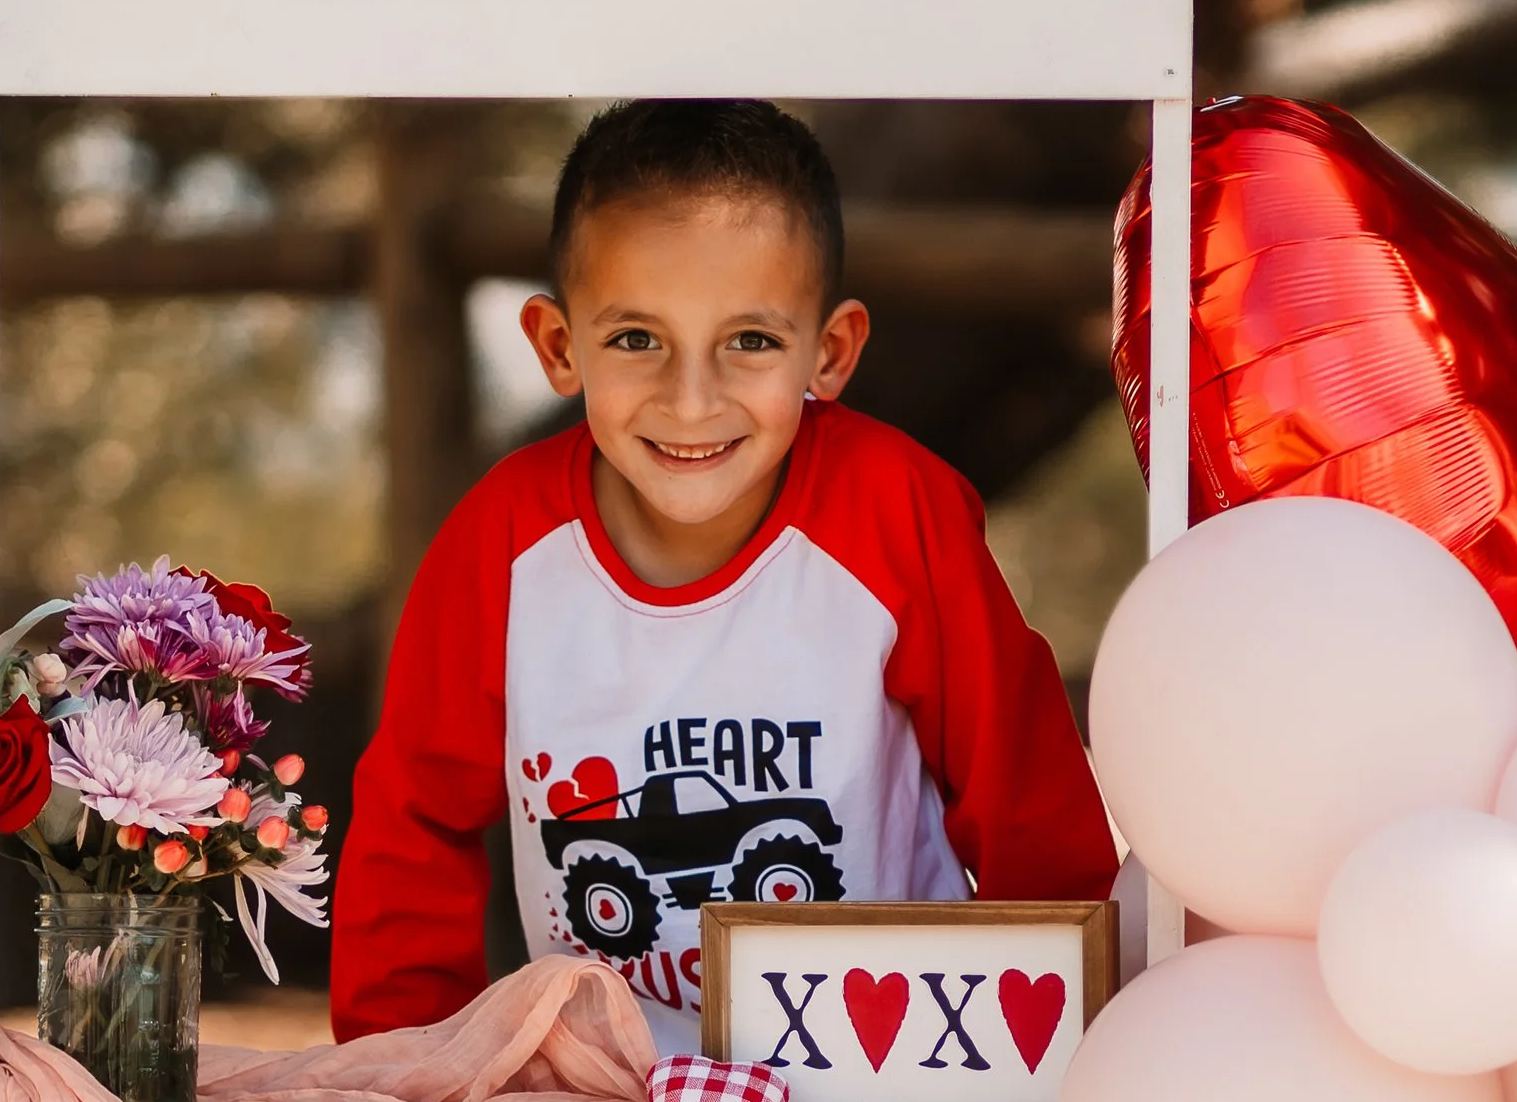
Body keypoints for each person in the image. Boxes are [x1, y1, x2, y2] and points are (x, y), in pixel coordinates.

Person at [331, 97, 1118, 1053]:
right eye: (635, 339)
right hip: (603, 1099)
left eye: (750, 341)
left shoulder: (894, 512)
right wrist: (399, 1065)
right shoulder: (500, 545)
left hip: (874, 1085)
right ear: (557, 346)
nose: (691, 397)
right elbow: (411, 826)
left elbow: (1024, 793)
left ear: (828, 355)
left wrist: (1073, 1037)